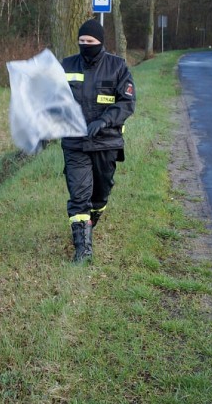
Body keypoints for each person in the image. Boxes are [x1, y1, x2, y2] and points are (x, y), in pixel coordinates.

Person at [61, 19, 136, 263]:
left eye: (90, 42)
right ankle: (83, 250)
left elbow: (126, 102)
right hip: (75, 143)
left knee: (100, 194)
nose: (85, 46)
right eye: (81, 42)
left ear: (101, 43)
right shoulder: (67, 65)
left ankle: (92, 219)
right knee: (79, 195)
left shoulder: (117, 67)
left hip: (107, 142)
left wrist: (104, 121)